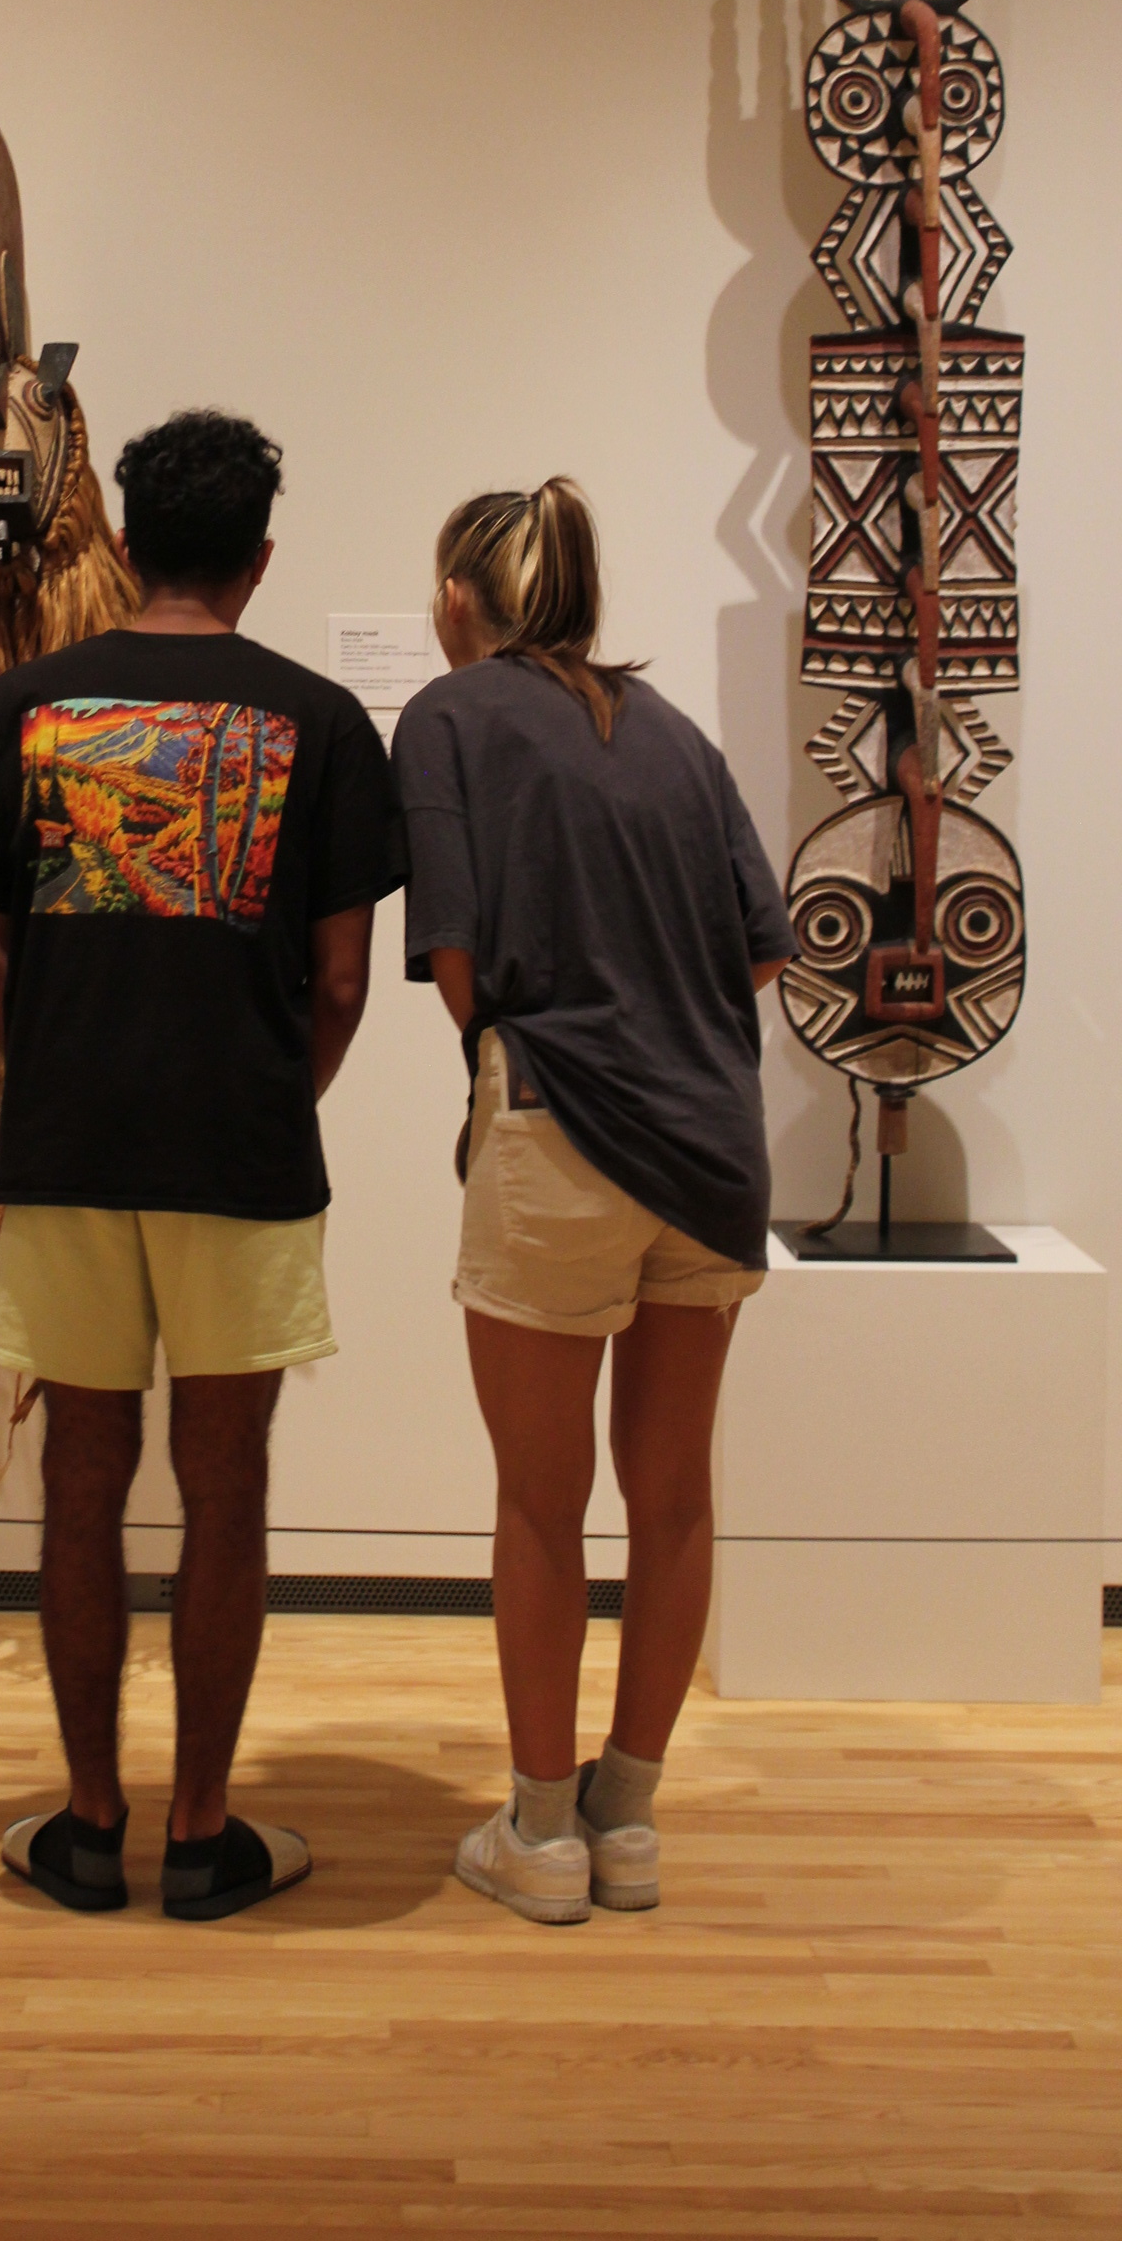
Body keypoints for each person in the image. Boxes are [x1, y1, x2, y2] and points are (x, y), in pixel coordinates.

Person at [0, 410, 405, 1921]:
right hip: (245, 1151)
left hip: (69, 1147)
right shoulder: (322, 723)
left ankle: (83, 1827)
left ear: (120, 539)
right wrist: (267, 1091)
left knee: (80, 1481)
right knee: (228, 1487)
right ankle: (201, 1837)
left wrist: (63, 1071)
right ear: (264, 554)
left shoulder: (25, 705)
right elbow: (340, 987)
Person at [393, 478, 793, 1926]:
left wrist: (537, 1033)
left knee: (540, 1506)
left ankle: (543, 1834)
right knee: (674, 1497)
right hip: (715, 1150)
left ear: (459, 597)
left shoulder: (448, 717)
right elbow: (764, 951)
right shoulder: (676, 734)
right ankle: (629, 1819)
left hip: (558, 1130)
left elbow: (451, 952)